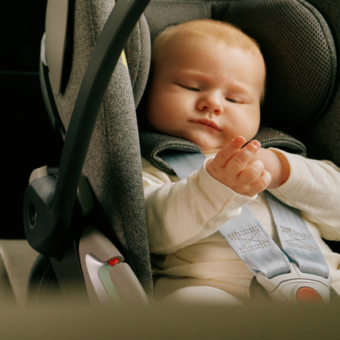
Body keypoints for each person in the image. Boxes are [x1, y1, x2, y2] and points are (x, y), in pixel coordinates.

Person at [141, 19, 340, 303]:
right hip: (217, 292)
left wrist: (284, 170)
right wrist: (213, 188)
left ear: (259, 109)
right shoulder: (151, 166)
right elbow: (151, 229)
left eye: (234, 99)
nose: (213, 104)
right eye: (191, 86)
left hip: (327, 286)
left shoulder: (280, 157)